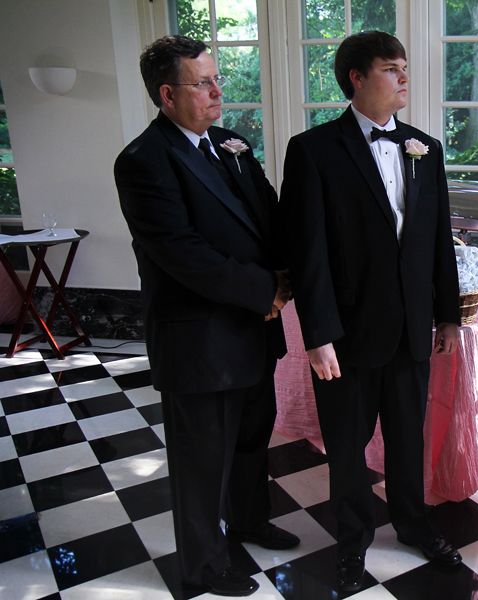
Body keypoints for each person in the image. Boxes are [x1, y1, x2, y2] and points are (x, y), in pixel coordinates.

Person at [278, 31, 462, 592]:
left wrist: (448, 314)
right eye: (390, 68)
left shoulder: (424, 147)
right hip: (347, 334)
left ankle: (413, 522)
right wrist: (318, 334)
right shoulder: (312, 150)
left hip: (411, 328)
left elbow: (437, 240)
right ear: (356, 78)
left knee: (408, 437)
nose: (403, 78)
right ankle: (353, 538)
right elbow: (305, 252)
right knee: (347, 446)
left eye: (404, 68)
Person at [114, 35, 298, 597]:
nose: (219, 90)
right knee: (201, 461)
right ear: (168, 94)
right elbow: (182, 253)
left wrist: (292, 273)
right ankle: (203, 566)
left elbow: (269, 218)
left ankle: (248, 520)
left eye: (216, 78)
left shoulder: (232, 144)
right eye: (203, 82)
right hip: (199, 338)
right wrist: (264, 289)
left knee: (250, 438)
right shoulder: (143, 161)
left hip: (252, 328)